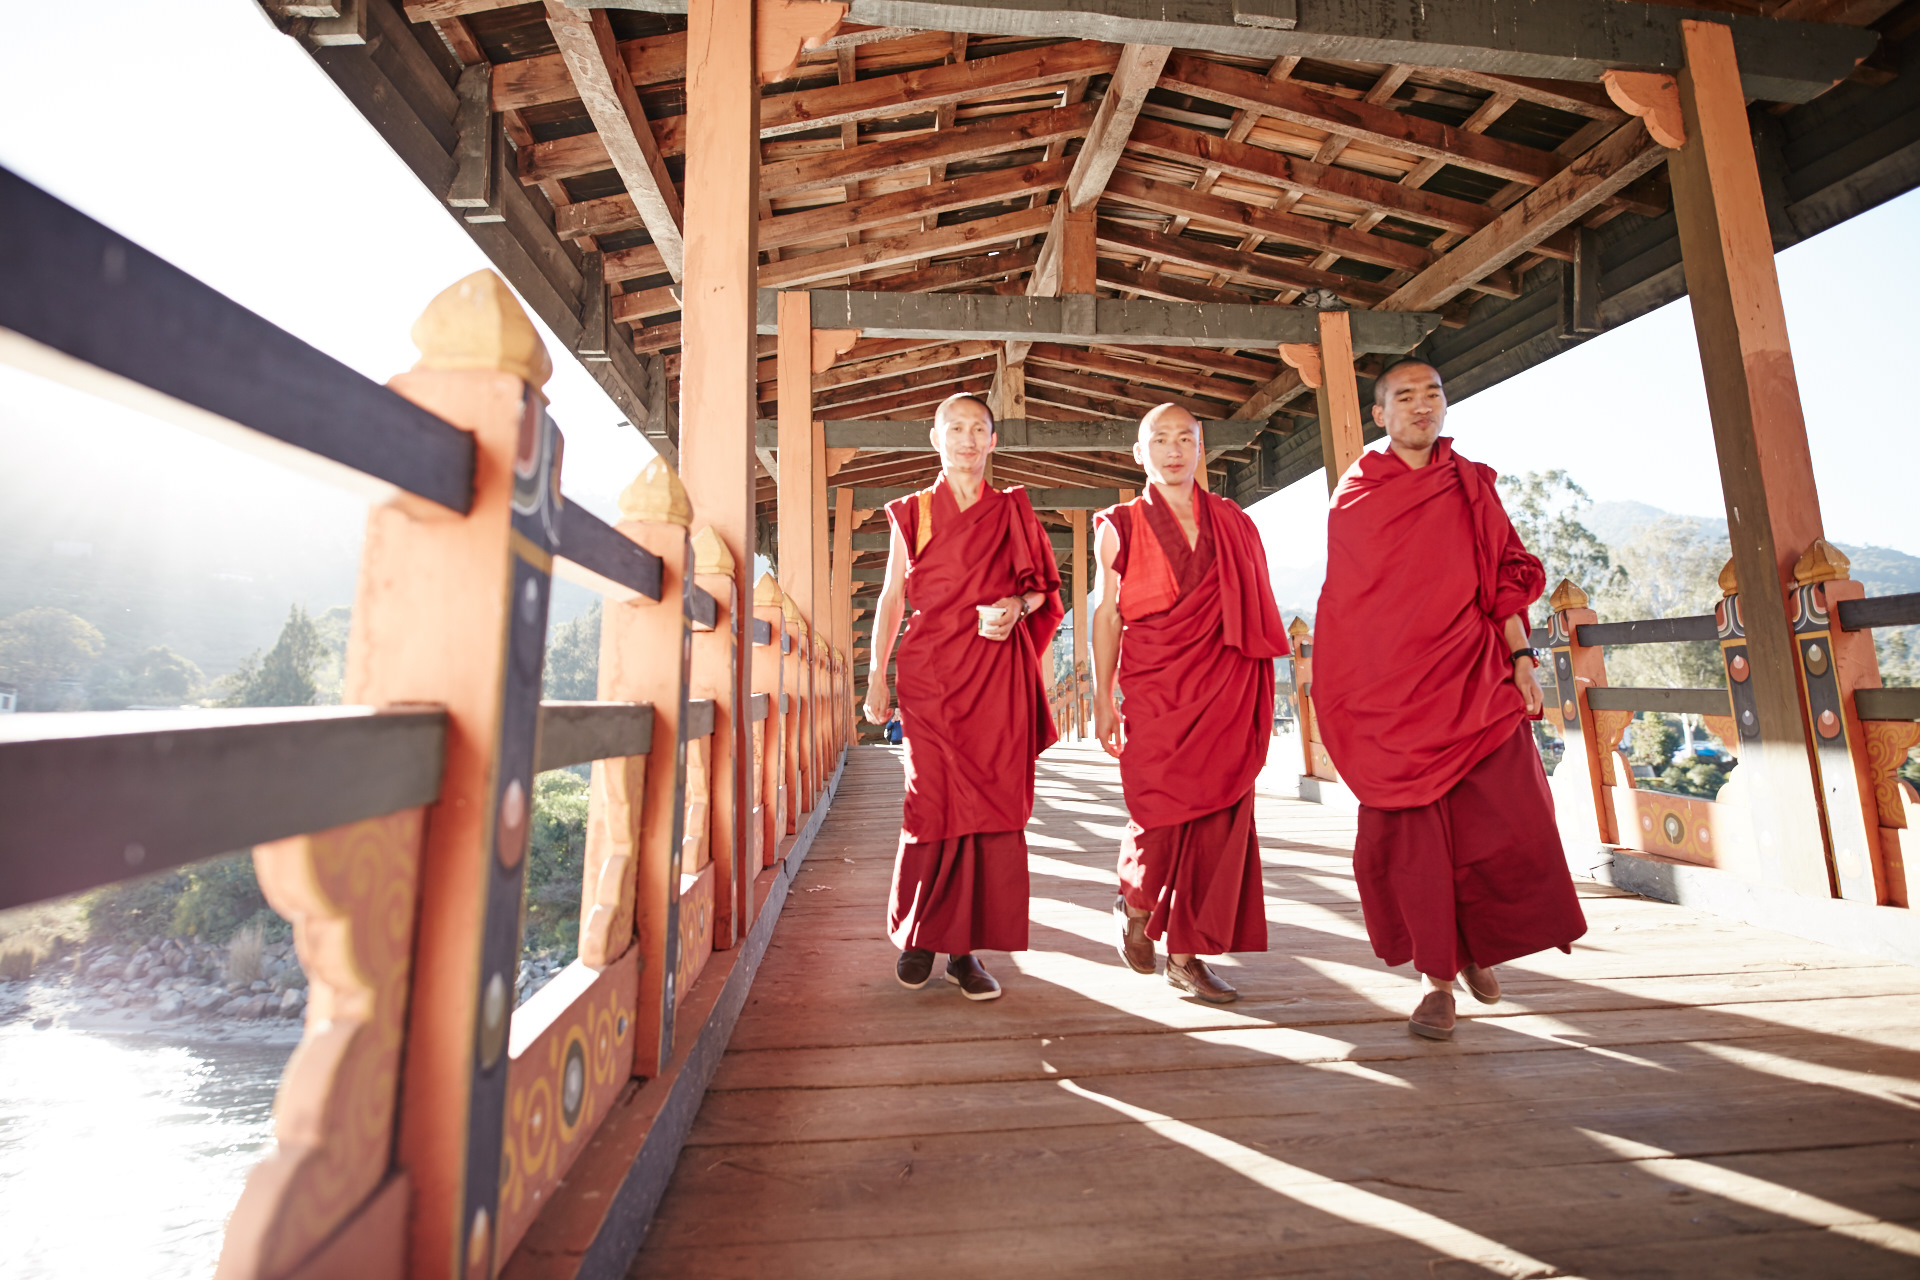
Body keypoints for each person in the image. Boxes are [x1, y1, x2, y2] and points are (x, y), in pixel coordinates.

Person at [1312, 359, 1586, 1040]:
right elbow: (1351, 607)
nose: (1421, 407)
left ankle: (1481, 946)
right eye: (1404, 398)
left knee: (1508, 817)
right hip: (1399, 695)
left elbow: (1501, 578)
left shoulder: (1470, 485)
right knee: (1418, 839)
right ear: (1380, 415)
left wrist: (1521, 658)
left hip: (1473, 678)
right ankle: (1438, 979)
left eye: (1433, 394)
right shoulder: (1358, 495)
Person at [863, 393, 1064, 1001]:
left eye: (979, 429)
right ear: (935, 438)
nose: (968, 440)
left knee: (987, 807)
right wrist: (876, 674)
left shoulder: (1011, 511)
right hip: (930, 675)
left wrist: (1017, 605)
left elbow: (1045, 589)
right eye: (956, 429)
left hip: (994, 674)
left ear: (994, 441)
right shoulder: (916, 511)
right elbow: (892, 599)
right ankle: (921, 933)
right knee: (931, 802)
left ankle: (965, 951)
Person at [1090, 405, 1291, 1004]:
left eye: (1186, 439)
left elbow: (1253, 608)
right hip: (1158, 689)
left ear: (1202, 449)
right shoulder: (1120, 524)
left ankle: (1187, 953)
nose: (1174, 450)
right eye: (1160, 440)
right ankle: (1134, 900)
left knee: (1216, 819)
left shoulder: (1235, 523)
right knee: (1157, 815)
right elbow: (1107, 614)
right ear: (1138, 452)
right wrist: (1102, 696)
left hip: (1224, 688)